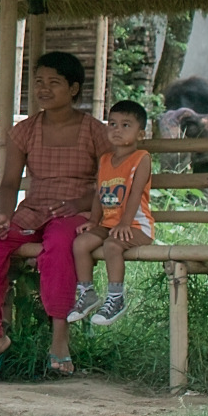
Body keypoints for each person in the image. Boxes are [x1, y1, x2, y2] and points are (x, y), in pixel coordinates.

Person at [0, 51, 110, 381]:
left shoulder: (96, 131)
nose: (43, 89)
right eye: (39, 82)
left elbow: (109, 184)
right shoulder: (24, 131)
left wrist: (78, 202)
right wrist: (3, 215)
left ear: (73, 88)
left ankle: (60, 336)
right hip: (32, 212)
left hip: (77, 213)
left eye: (53, 83)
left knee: (60, 243)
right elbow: (9, 183)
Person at [69, 100, 156, 328]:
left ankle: (116, 298)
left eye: (126, 125)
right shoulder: (105, 159)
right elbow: (100, 193)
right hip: (110, 225)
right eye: (113, 124)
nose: (117, 130)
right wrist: (93, 221)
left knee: (112, 245)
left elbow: (135, 193)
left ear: (141, 134)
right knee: (80, 243)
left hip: (136, 226)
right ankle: (87, 292)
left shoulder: (142, 158)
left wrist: (125, 223)